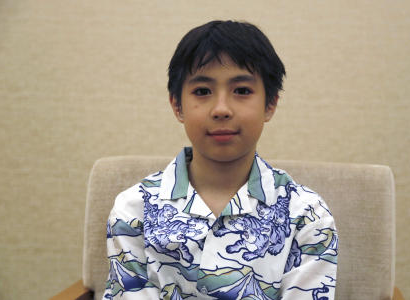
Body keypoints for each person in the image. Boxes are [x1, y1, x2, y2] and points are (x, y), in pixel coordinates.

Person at [103, 20, 338, 299]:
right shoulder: (134, 210)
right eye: (202, 91)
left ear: (271, 103)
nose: (222, 109)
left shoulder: (307, 214)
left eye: (242, 91)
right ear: (177, 105)